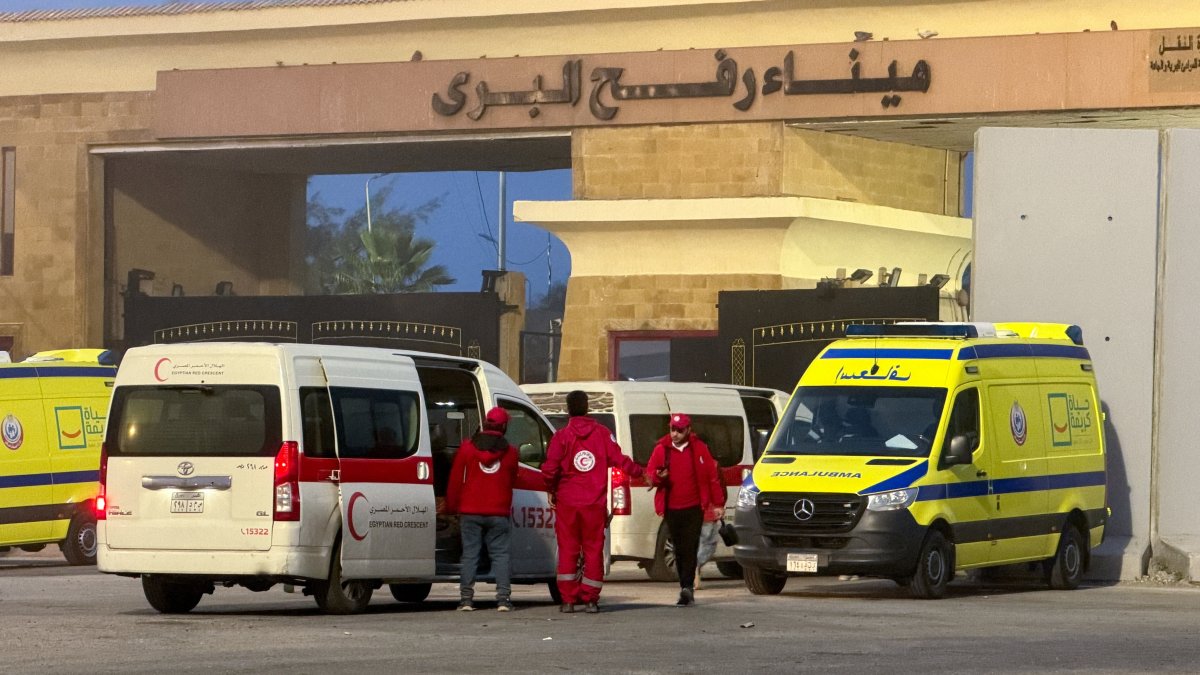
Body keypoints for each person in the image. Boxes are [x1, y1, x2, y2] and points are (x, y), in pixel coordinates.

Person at [542, 390, 644, 614]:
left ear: (568, 409)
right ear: (587, 407)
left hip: (568, 503)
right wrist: (642, 473)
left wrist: (552, 490)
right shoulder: (602, 434)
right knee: (593, 551)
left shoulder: (561, 437)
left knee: (568, 550)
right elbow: (620, 460)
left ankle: (568, 601)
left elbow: (549, 470)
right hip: (594, 505)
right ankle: (591, 600)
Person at [445, 406, 520, 613]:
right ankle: (503, 600)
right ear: (503, 427)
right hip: (499, 512)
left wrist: (452, 506)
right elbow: (514, 479)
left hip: (470, 511)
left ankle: (466, 600)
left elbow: (455, 480)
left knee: (470, 555)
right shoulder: (511, 452)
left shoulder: (468, 447)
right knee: (501, 555)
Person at [646, 413, 725, 607]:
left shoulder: (699, 448)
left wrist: (718, 504)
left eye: (680, 430)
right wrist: (659, 477)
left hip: (694, 508)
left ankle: (687, 588)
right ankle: (685, 584)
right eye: (673, 429)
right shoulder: (661, 450)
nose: (675, 434)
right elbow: (650, 477)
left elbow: (712, 477)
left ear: (688, 430)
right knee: (679, 549)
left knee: (690, 548)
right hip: (671, 508)